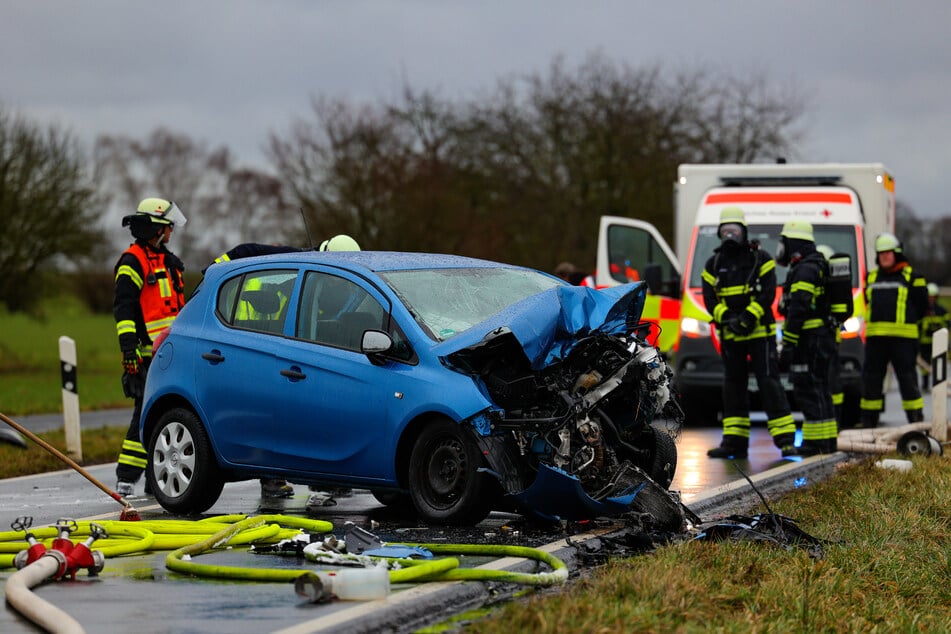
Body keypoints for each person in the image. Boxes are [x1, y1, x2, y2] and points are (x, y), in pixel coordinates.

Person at [208, 234, 361, 499]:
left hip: (290, 350)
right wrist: (215, 267)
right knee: (268, 413)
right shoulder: (295, 263)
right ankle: (272, 479)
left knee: (306, 414)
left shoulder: (328, 276)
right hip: (255, 346)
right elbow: (247, 249)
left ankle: (320, 477)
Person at [702, 207, 797, 459]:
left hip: (759, 335)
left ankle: (786, 441)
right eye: (725, 231)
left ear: (744, 232)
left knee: (769, 384)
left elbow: (767, 294)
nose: (729, 235)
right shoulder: (713, 264)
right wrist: (728, 318)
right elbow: (710, 300)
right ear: (719, 234)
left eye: (734, 230)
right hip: (731, 336)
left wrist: (747, 317)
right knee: (733, 387)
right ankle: (734, 443)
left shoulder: (761, 259)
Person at [114, 198, 187, 497]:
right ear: (155, 228)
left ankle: (151, 479)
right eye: (167, 226)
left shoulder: (168, 261)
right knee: (143, 415)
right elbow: (125, 308)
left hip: (172, 352)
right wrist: (129, 349)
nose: (171, 232)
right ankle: (126, 478)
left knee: (162, 414)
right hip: (146, 355)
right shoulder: (132, 261)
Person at [776, 222, 837, 455]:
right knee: (819, 387)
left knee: (807, 388)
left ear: (794, 243)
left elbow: (799, 308)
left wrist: (788, 344)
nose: (782, 247)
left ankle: (815, 444)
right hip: (819, 338)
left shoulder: (805, 269)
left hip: (809, 341)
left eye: (785, 242)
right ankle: (827, 442)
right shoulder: (815, 265)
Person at [859, 233, 929, 426]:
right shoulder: (871, 277)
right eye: (881, 253)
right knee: (871, 383)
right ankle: (868, 424)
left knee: (907, 381)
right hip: (875, 340)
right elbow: (867, 301)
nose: (884, 257)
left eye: (888, 253)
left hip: (903, 340)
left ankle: (916, 422)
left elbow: (922, 306)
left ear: (897, 253)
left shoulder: (913, 277)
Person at [918, 282, 948, 392]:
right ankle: (925, 384)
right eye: (929, 297)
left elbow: (947, 324)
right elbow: (919, 325)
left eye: (933, 297)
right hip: (924, 342)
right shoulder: (922, 311)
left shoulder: (941, 310)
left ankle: (939, 385)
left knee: (939, 364)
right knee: (925, 365)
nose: (931, 299)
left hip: (939, 343)